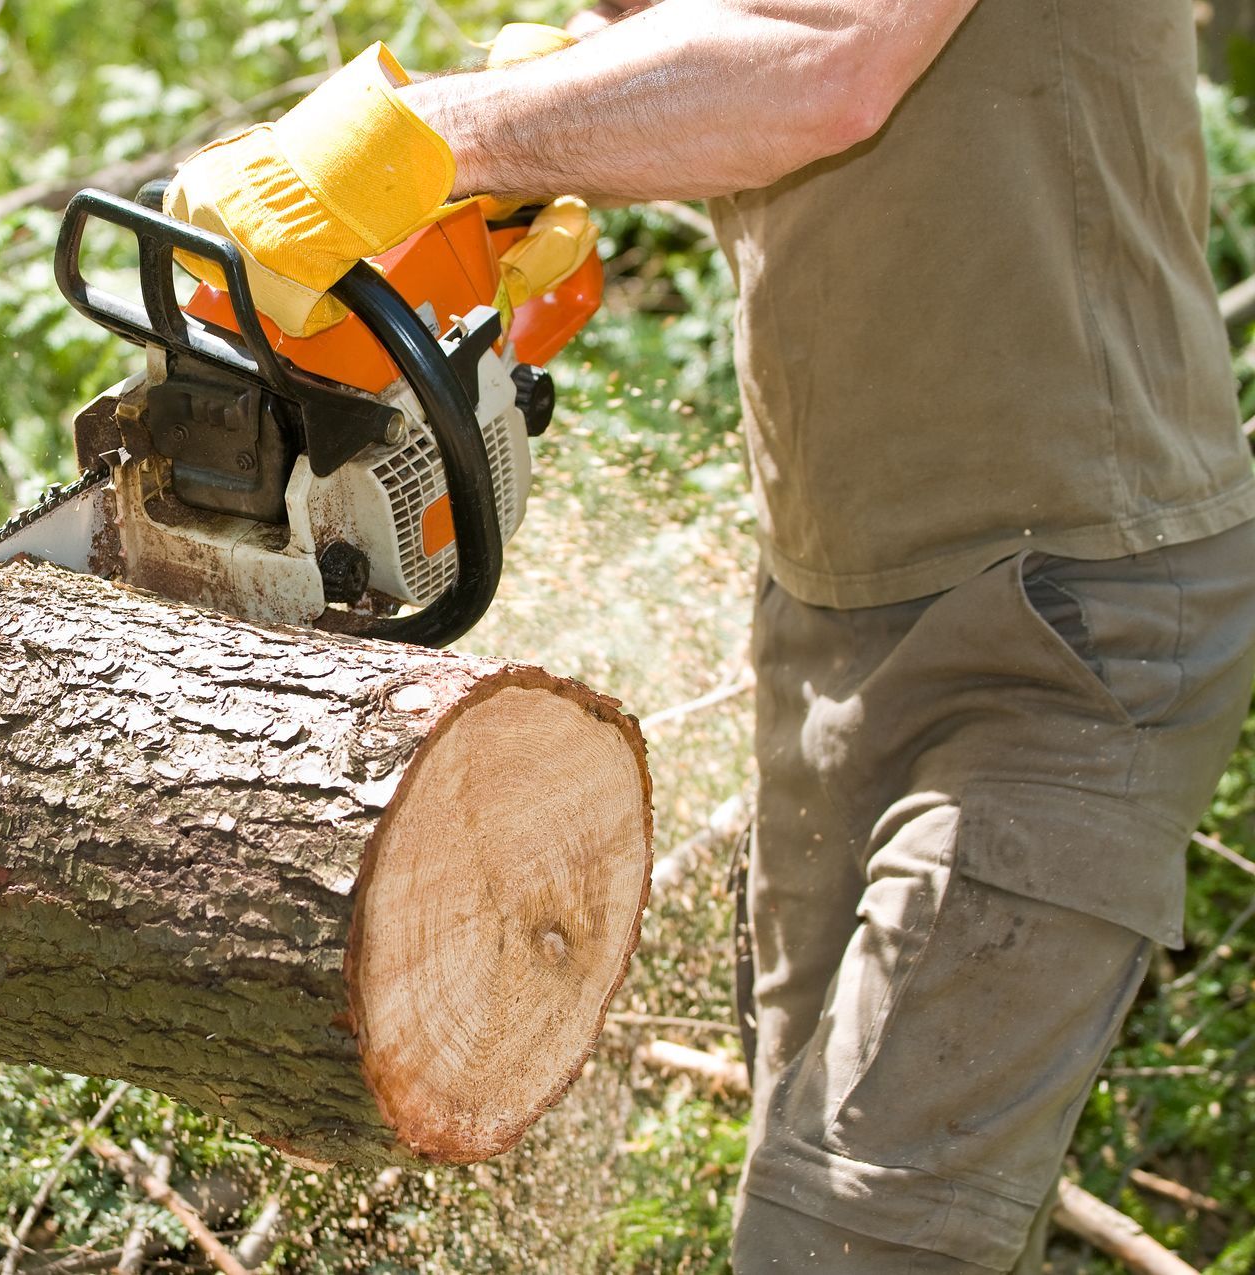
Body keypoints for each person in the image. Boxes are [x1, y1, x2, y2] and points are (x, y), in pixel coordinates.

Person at [163, 0, 1255, 1269]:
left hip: (1071, 616)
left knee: (848, 1236)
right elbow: (689, 26)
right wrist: (549, 113)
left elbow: (828, 64)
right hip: (829, 607)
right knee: (813, 1168)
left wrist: (438, 136)